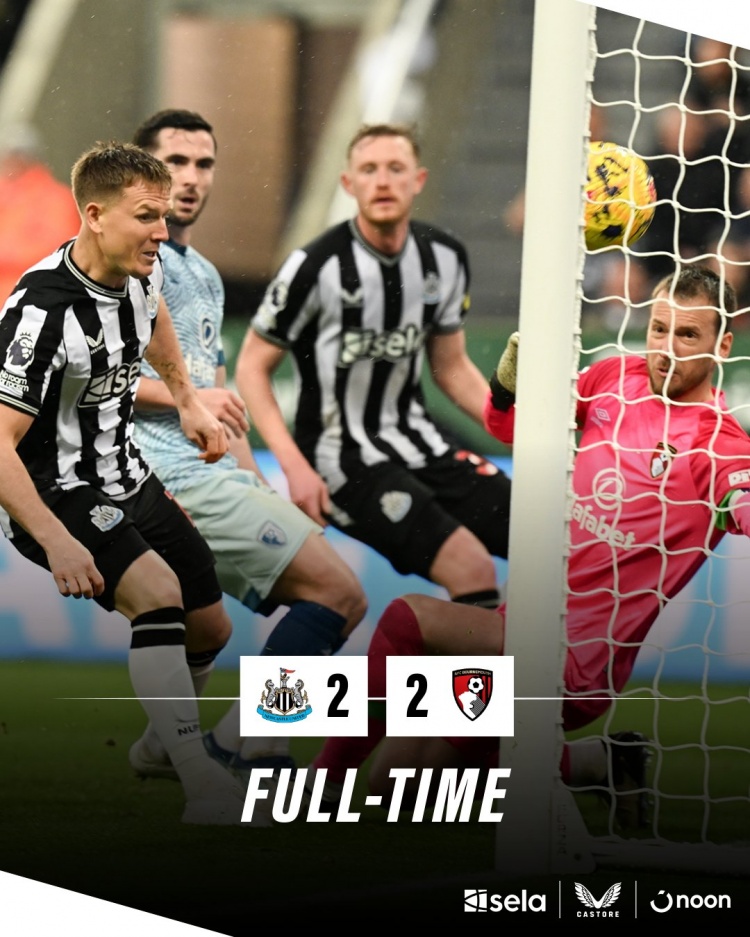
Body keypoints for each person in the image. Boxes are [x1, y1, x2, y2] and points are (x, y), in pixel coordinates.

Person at [305, 264, 750, 825]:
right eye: (659, 329)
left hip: (577, 664)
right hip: (519, 624)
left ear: (723, 345)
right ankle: (601, 763)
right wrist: (506, 388)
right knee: (397, 784)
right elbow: (508, 428)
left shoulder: (719, 444)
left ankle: (322, 786)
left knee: (407, 619)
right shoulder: (616, 376)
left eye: (687, 335)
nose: (665, 348)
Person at [0, 140, 252, 826]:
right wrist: (55, 540)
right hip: (56, 491)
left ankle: (158, 748)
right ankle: (203, 782)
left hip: (127, 473)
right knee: (159, 594)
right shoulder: (40, 312)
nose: (162, 232)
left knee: (211, 626)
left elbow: (155, 319)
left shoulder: (140, 270)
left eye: (163, 216)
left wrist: (189, 399)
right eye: (147, 216)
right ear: (94, 215)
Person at [128, 108, 367, 782]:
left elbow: (218, 398)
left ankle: (160, 750)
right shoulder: (124, 262)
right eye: (175, 162)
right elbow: (94, 380)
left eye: (204, 163)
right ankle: (242, 745)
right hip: (166, 473)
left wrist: (256, 480)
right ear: (142, 170)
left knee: (210, 629)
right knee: (339, 593)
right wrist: (187, 401)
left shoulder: (202, 273)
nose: (191, 177)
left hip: (212, 473)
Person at [235, 122, 511, 610]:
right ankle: (421, 653)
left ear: (418, 180)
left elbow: (451, 368)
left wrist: (515, 428)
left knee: (544, 538)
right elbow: (251, 367)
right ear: (349, 183)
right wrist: (294, 468)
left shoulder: (444, 258)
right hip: (338, 459)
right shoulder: (314, 266)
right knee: (471, 567)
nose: (382, 181)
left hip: (421, 443)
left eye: (395, 168)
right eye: (368, 170)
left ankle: (500, 653)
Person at [0, 123, 81, 305]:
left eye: (15, 155)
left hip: (31, 300)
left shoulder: (56, 198)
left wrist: (5, 255)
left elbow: (57, 251)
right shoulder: (4, 193)